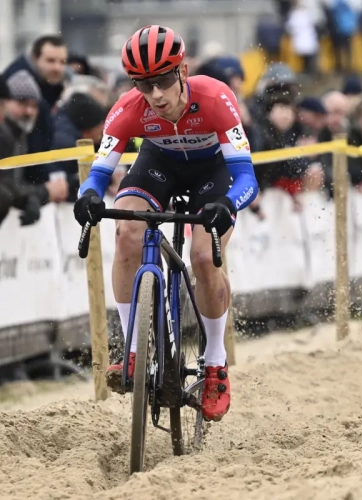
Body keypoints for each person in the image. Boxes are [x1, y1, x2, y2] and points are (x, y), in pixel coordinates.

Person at [73, 25, 259, 422]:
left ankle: (214, 363)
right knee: (126, 233)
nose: (155, 95)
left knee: (205, 256)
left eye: (162, 81)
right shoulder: (127, 109)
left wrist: (226, 204)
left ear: (183, 72)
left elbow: (247, 177)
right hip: (158, 168)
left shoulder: (215, 99)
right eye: (143, 84)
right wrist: (88, 196)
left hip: (213, 173)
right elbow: (98, 175)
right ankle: (134, 351)